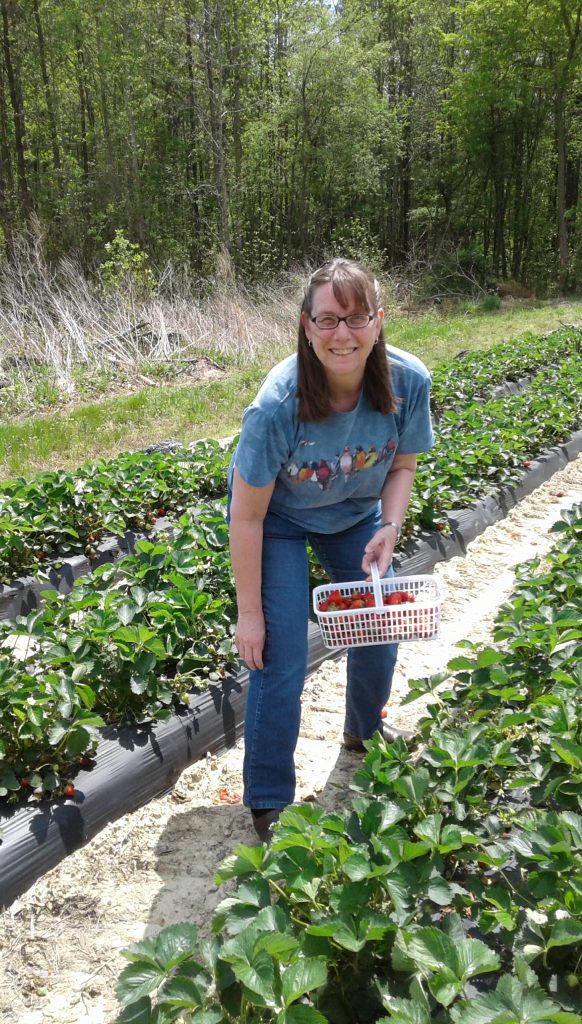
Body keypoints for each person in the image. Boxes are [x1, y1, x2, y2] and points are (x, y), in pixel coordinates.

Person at [227, 258, 434, 842]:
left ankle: (362, 731)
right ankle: (269, 798)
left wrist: (390, 526)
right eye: (327, 320)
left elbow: (403, 464)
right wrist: (250, 614)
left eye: (355, 318)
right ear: (306, 325)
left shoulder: (407, 382)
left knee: (379, 623)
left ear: (378, 321)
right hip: (278, 522)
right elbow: (246, 514)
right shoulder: (277, 404)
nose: (342, 334)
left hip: (354, 515)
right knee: (282, 651)